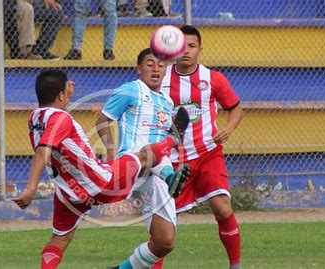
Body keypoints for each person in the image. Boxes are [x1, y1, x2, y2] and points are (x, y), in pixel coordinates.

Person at [13, 69, 189, 269]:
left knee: (60, 239)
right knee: (144, 154)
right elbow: (44, 149)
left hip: (67, 192)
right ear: (60, 95)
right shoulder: (61, 119)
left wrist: (66, 93)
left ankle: (169, 176)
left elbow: (47, 142)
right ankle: (172, 139)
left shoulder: (34, 119)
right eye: (66, 90)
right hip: (98, 182)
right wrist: (31, 188)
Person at [158, 25, 244, 269]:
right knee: (164, 224)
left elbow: (236, 108)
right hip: (173, 160)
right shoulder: (160, 78)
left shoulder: (213, 78)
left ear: (200, 50)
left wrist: (229, 127)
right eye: (181, 46)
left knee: (222, 207)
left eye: (192, 46)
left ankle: (235, 265)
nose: (186, 51)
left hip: (208, 153)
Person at [96, 48, 190, 268]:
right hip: (134, 161)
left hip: (158, 169)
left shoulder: (167, 102)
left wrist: (175, 137)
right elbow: (102, 120)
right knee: (154, 151)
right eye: (149, 64)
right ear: (139, 69)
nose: (156, 68)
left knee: (164, 242)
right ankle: (171, 178)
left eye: (160, 64)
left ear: (166, 69)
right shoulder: (130, 90)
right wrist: (111, 151)